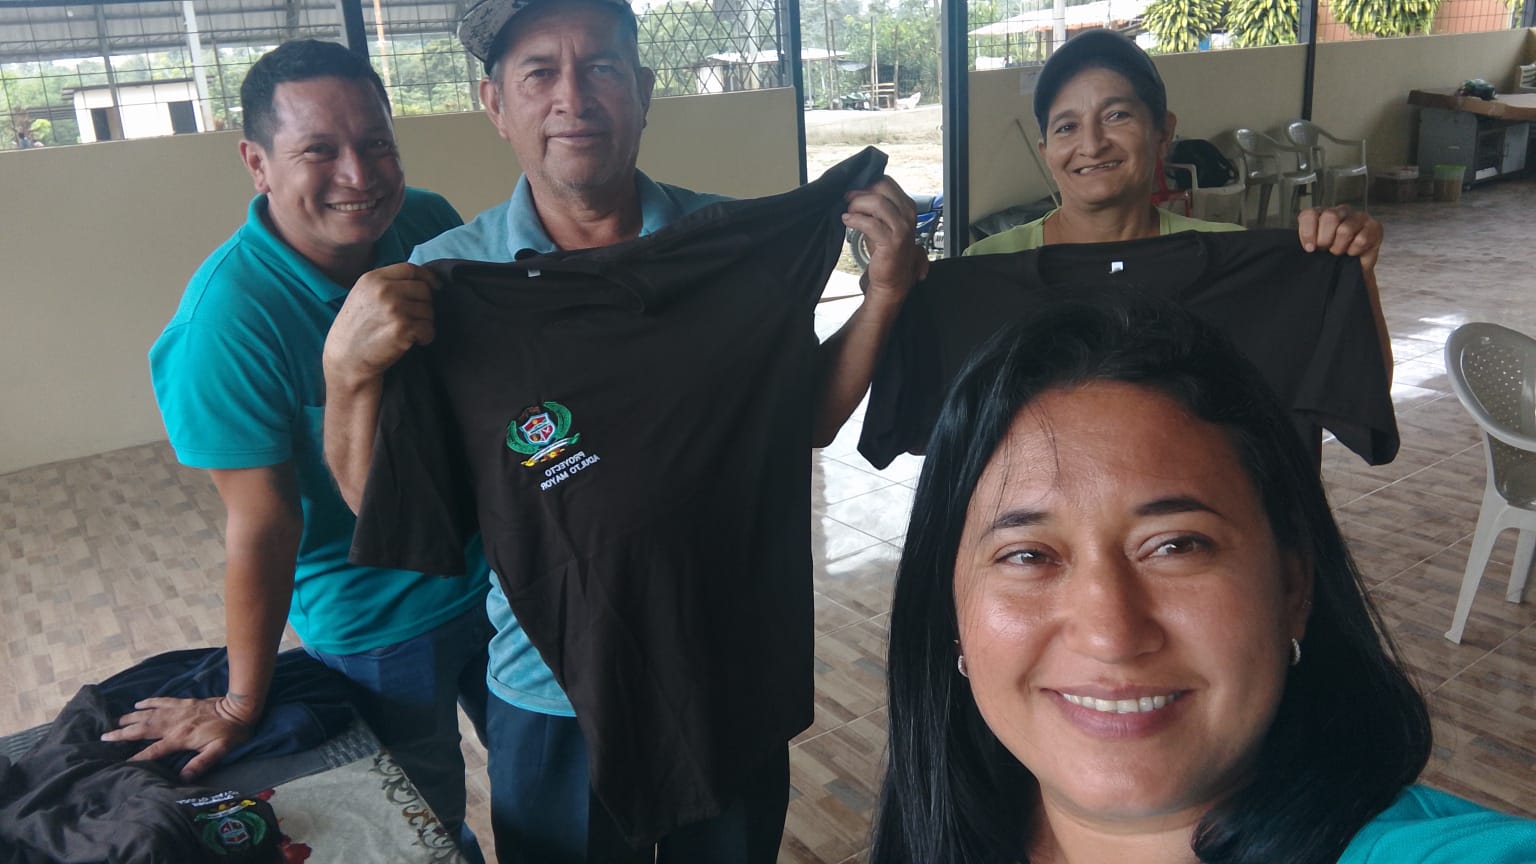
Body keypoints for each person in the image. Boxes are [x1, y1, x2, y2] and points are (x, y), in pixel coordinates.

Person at [320, 0, 926, 859]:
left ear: (642, 91)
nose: (573, 98)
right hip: (552, 693)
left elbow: (807, 420)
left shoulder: (727, 254)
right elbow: (383, 501)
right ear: (496, 105)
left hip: (727, 670)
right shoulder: (445, 285)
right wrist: (345, 373)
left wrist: (885, 297)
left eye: (601, 68)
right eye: (540, 73)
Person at [869, 294, 1536, 863]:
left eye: (1177, 545)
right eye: (1027, 555)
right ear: (950, 611)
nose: (1110, 634)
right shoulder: (945, 832)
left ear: (1294, 586)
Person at [125, 40, 492, 862]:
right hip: (377, 624)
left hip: (495, 574)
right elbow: (263, 526)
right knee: (426, 822)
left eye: (376, 143)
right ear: (257, 162)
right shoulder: (225, 327)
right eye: (318, 150)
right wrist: (240, 701)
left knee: (548, 771)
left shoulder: (427, 222)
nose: (358, 174)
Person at [964, 28, 1391, 371]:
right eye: (1066, 127)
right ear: (1046, 153)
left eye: (1116, 115)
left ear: (1163, 132)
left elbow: (1358, 384)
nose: (1091, 145)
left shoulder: (1232, 260)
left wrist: (1355, 273)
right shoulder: (987, 266)